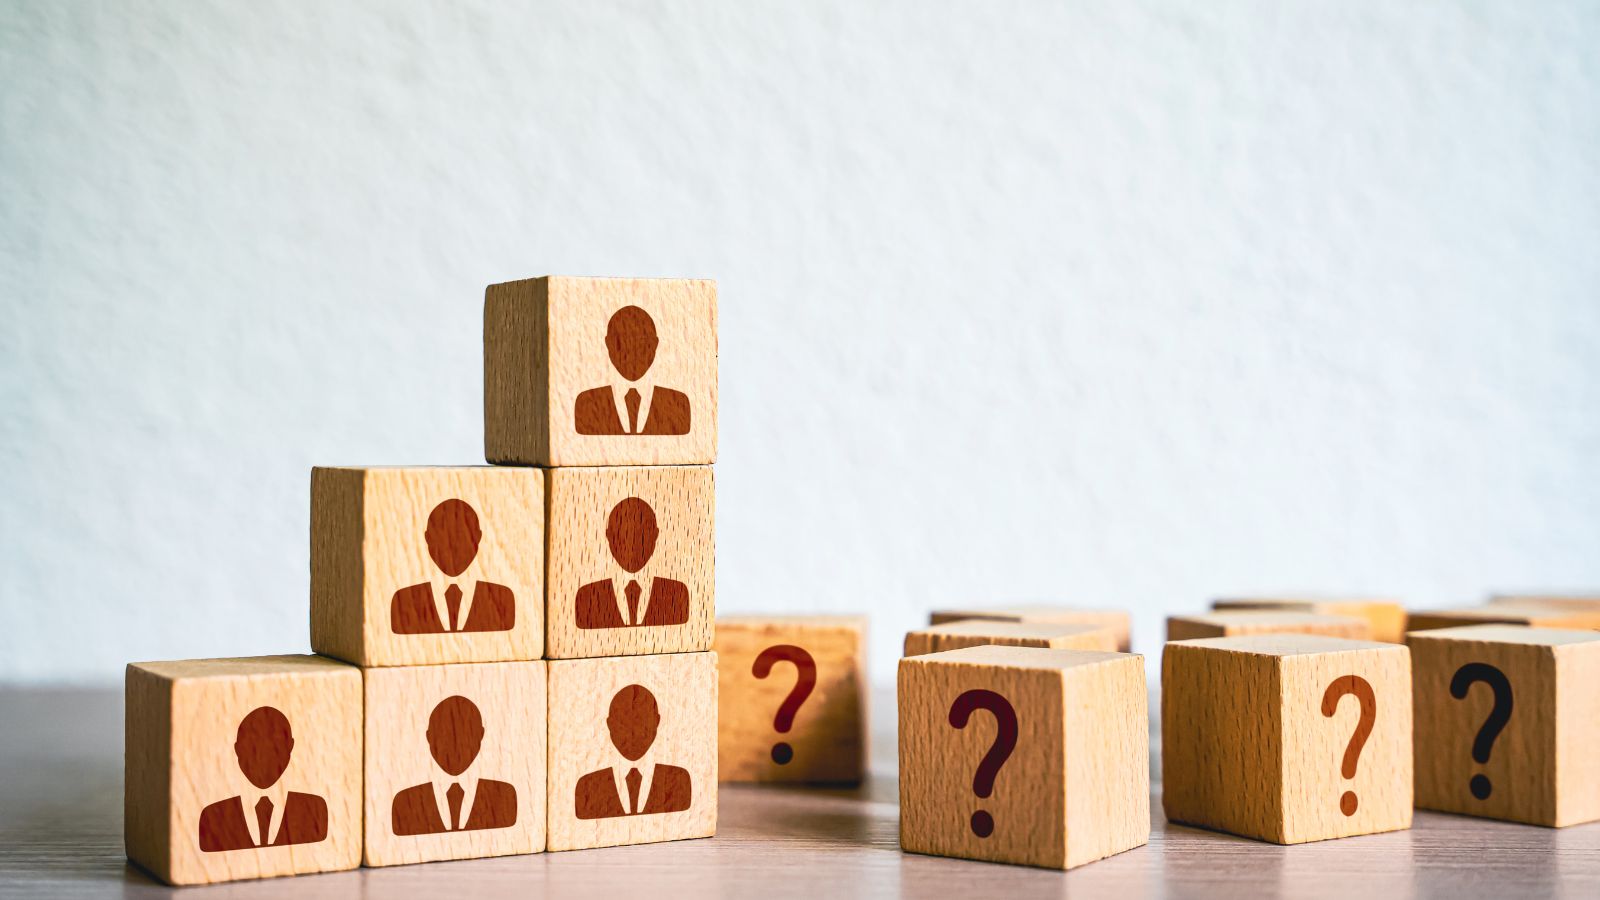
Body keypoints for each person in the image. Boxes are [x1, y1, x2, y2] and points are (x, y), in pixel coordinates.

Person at [198, 707, 328, 852]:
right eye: (252, 742)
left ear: (290, 746)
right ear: (237, 749)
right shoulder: (213, 817)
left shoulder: (313, 810)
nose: (262, 755)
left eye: (276, 741)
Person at [391, 696, 517, 835]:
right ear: (428, 737)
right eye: (444, 736)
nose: (455, 746)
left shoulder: (504, 795)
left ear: (481, 735)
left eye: (466, 734)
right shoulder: (405, 802)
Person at [391, 499, 515, 634]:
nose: (453, 549)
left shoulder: (503, 599)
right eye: (442, 538)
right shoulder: (403, 601)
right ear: (427, 538)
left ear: (479, 537)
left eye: (462, 537)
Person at [574, 685, 691, 819]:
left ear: (657, 722)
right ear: (609, 724)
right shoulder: (588, 787)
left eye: (642, 721)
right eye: (623, 723)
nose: (633, 732)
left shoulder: (678, 780)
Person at [573, 306, 691, 436]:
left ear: (655, 344)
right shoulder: (587, 405)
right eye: (620, 342)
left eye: (641, 344)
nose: (630, 353)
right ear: (608, 343)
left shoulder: (678, 405)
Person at [574, 497, 689, 629]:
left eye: (642, 534)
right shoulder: (587, 597)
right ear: (608, 535)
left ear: (655, 535)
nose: (631, 544)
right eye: (621, 534)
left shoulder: (677, 593)